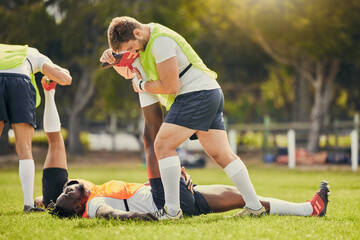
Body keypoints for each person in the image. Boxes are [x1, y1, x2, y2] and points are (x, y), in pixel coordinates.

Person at [39, 72, 330, 220]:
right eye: (69, 193)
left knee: (240, 197)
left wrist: (39, 203)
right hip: (162, 201)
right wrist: (146, 216)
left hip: (170, 195)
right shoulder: (94, 204)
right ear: (79, 206)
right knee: (151, 140)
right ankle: (137, 76)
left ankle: (309, 209)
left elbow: (48, 202)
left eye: (65, 189)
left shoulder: (91, 192)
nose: (69, 186)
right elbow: (113, 215)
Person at [104, 16, 266, 219]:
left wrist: (142, 86)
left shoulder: (161, 41)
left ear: (137, 33)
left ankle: (172, 212)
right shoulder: (145, 43)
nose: (132, 52)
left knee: (162, 145)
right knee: (221, 154)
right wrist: (113, 56)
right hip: (209, 92)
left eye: (130, 48)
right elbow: (132, 72)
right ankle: (254, 207)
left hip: (196, 94)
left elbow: (171, 86)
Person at [0, 44, 72, 212]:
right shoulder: (32, 53)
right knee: (24, 147)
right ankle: (28, 204)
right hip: (19, 81)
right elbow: (65, 79)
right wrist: (58, 73)